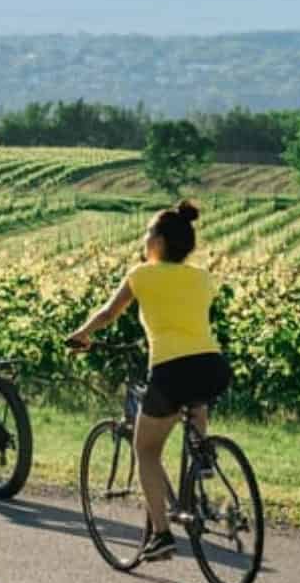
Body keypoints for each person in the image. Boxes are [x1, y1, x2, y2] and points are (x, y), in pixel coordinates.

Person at [66, 199, 231, 560]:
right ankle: (202, 454)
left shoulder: (141, 274)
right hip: (213, 365)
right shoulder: (203, 278)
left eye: (147, 232)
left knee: (146, 449)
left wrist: (82, 333)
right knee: (196, 395)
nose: (144, 238)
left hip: (170, 369)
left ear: (157, 242)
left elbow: (109, 313)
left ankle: (160, 534)